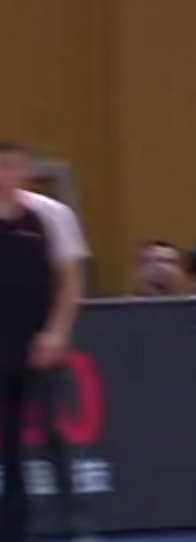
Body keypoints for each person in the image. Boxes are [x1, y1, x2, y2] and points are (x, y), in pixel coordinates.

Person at [0, 144, 87, 542]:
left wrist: (57, 333)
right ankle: (13, 523)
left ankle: (76, 522)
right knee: (8, 438)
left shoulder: (51, 214)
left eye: (16, 167)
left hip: (39, 340)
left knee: (53, 428)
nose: (9, 174)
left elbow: (70, 280)